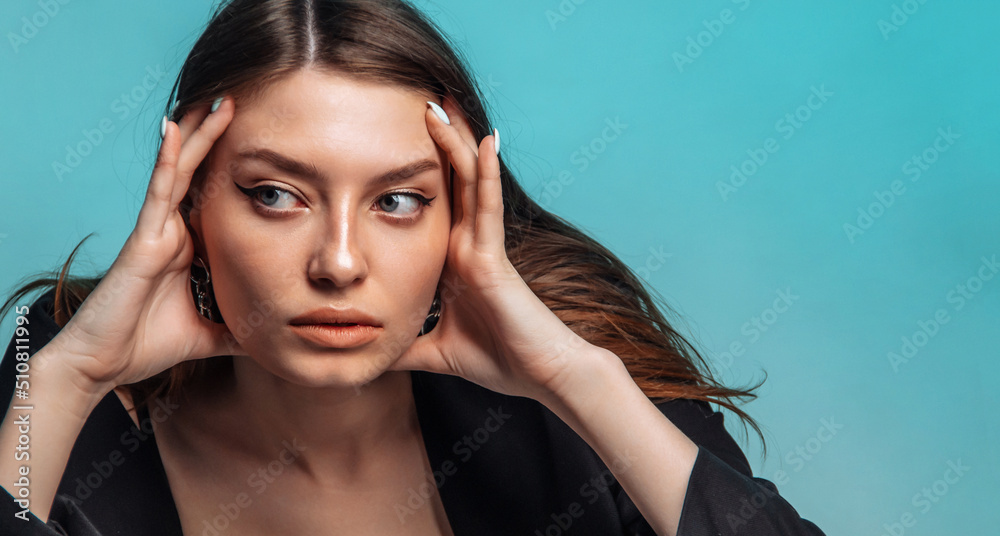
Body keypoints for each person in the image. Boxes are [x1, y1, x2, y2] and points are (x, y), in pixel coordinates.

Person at [0, 1, 827, 534]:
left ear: (462, 210)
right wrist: (65, 382)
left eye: (397, 201)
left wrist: (579, 381)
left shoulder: (566, 347)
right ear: (188, 199)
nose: (340, 262)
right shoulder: (64, 361)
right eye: (277, 195)